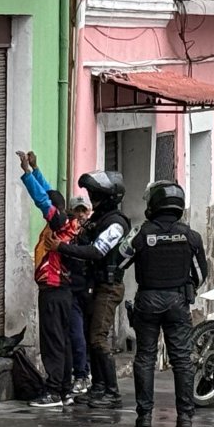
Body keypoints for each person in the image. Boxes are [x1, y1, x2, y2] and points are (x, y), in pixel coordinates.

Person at [117, 181, 208, 427]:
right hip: (178, 301)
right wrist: (186, 287)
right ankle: (185, 417)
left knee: (145, 357)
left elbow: (120, 260)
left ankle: (144, 416)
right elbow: (201, 274)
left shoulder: (141, 233)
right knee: (182, 359)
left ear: (153, 204)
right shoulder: (191, 236)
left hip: (148, 300)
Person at [49, 170, 130, 409]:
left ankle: (112, 392)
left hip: (109, 286)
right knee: (89, 335)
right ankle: (98, 388)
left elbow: (97, 252)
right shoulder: (99, 220)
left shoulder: (116, 224)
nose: (92, 199)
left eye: (96, 195)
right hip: (93, 286)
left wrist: (62, 248)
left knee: (97, 338)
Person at [19, 150, 79, 408]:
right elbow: (52, 195)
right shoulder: (67, 222)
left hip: (54, 291)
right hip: (62, 291)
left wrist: (27, 173)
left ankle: (54, 390)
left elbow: (43, 200)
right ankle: (64, 388)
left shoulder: (59, 224)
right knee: (62, 340)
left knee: (53, 341)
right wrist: (37, 168)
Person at [66, 196, 92, 395]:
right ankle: (81, 374)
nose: (81, 215)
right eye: (78, 211)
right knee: (77, 333)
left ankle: (87, 372)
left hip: (90, 290)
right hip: (74, 290)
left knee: (90, 334)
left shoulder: (93, 232)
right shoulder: (68, 233)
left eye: (84, 211)